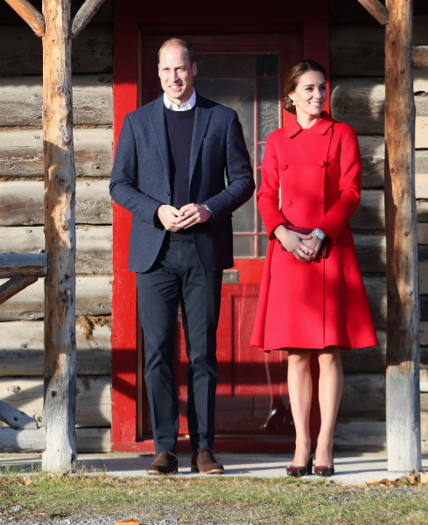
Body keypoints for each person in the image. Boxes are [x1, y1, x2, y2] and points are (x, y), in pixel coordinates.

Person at [109, 38, 255, 475]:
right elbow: (119, 184)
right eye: (166, 70)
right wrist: (154, 210)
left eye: (181, 69)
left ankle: (204, 449)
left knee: (203, 353)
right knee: (157, 351)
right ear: (158, 73)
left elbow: (244, 180)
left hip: (203, 249)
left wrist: (209, 208)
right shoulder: (137, 123)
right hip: (154, 253)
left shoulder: (222, 119)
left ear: (194, 69)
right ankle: (165, 448)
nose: (174, 78)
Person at [250, 60, 378, 477]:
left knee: (327, 350)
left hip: (329, 246)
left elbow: (351, 191)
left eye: (322, 88)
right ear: (290, 95)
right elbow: (266, 194)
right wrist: (282, 233)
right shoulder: (276, 140)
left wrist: (321, 234)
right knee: (297, 353)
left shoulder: (342, 134)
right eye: (308, 89)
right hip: (288, 250)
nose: (318, 95)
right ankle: (301, 443)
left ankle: (325, 444)